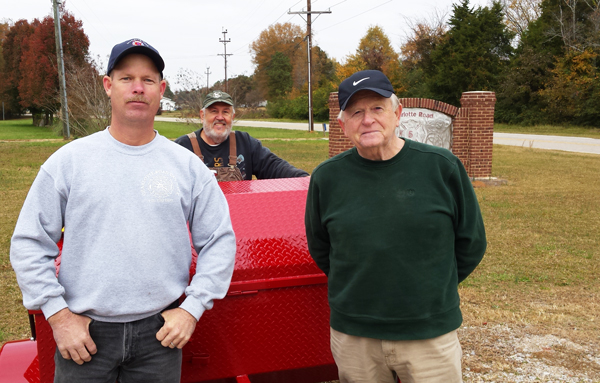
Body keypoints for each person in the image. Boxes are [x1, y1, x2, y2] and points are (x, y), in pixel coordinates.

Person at [10, 38, 236, 383]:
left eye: (147, 80)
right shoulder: (69, 162)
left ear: (161, 90)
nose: (137, 88)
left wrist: (191, 309)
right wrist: (58, 316)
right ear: (108, 85)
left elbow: (219, 241)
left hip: (159, 337)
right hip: (84, 337)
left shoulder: (186, 167)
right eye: (126, 78)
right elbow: (28, 242)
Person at [304, 69, 487, 383]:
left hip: (428, 334)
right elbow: (321, 247)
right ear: (342, 124)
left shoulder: (442, 167)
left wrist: (431, 290)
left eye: (377, 108)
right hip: (355, 338)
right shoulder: (326, 178)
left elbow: (471, 242)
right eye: (356, 112)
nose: (368, 119)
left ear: (397, 113)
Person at [175, 90, 309, 181]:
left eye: (225, 112)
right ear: (202, 115)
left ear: (232, 116)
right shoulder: (182, 147)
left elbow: (274, 167)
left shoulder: (245, 143)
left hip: (240, 218)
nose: (220, 117)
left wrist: (304, 179)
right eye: (214, 111)